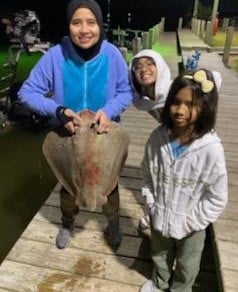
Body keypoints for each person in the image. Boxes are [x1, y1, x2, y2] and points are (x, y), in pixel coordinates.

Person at [18, 0, 133, 249]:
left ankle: (113, 222)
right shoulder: (55, 56)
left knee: (110, 186)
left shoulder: (112, 55)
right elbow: (27, 92)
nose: (84, 30)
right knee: (69, 185)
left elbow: (126, 92)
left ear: (100, 26)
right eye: (76, 22)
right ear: (68, 25)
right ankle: (68, 221)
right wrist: (57, 111)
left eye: (91, 23)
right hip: (69, 136)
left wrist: (109, 111)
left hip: (105, 134)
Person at [139, 68, 228, 292]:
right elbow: (146, 175)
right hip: (159, 218)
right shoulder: (157, 138)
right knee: (159, 256)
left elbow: (217, 198)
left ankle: (180, 289)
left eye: (191, 104)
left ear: (206, 107)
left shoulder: (211, 149)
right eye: (176, 102)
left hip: (191, 228)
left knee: (188, 267)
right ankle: (159, 283)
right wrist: (152, 204)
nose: (180, 110)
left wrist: (192, 222)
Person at [130, 49, 172, 230]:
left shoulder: (175, 89)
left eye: (150, 64)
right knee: (150, 169)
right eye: (137, 66)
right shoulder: (143, 99)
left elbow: (216, 79)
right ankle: (153, 211)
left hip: (190, 137)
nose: (143, 69)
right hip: (165, 134)